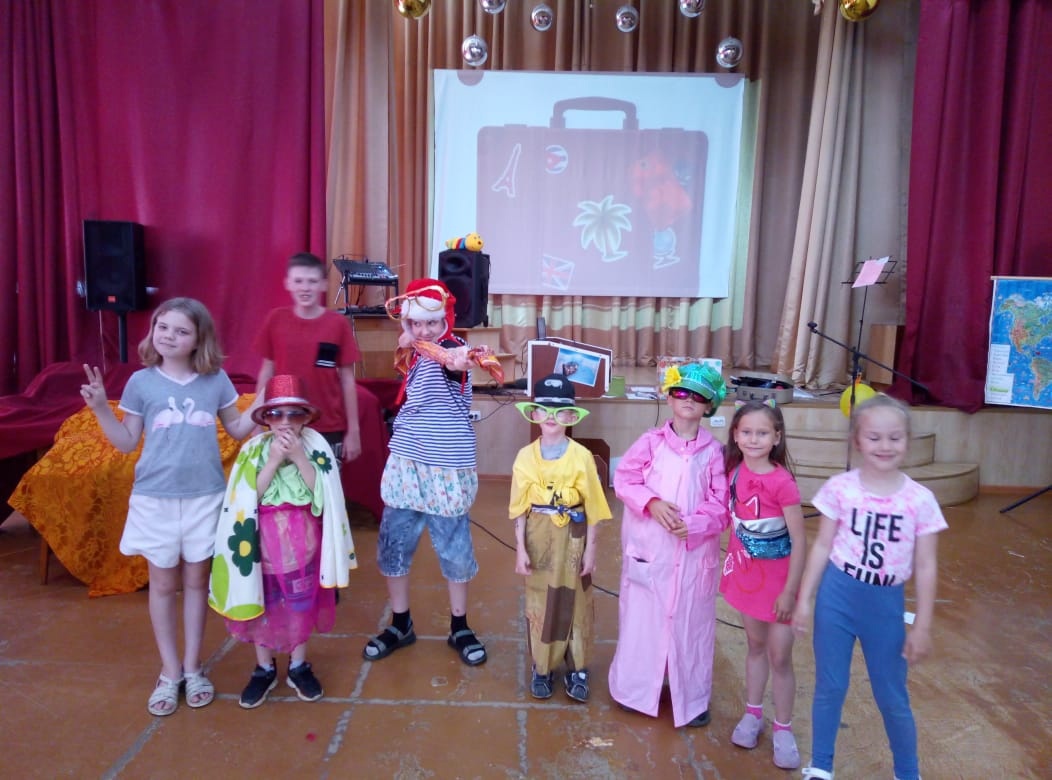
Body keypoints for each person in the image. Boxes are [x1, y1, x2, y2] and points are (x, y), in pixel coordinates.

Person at [79, 297, 261, 716]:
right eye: (163, 327)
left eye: (181, 331)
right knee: (162, 585)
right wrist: (101, 409)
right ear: (153, 331)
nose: (169, 336)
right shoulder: (141, 383)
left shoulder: (215, 380)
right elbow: (127, 442)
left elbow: (237, 430)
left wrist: (262, 402)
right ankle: (169, 671)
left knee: (197, 582)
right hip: (154, 499)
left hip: (205, 498)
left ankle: (194, 667)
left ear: (199, 339)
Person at [792, 394, 947, 780]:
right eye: (874, 437)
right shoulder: (840, 488)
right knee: (830, 685)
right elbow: (823, 545)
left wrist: (923, 625)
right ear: (857, 441)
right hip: (838, 596)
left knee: (891, 693)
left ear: (907, 441)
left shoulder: (920, 500)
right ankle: (821, 765)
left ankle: (907, 772)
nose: (885, 446)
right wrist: (805, 599)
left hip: (884, 603)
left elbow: (926, 565)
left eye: (895, 437)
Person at [209, 374, 357, 708]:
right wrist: (275, 459)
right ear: (265, 418)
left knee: (300, 607)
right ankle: (264, 668)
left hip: (303, 550)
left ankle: (298, 665)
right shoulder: (254, 451)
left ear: (306, 417)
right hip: (260, 552)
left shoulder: (316, 447)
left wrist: (300, 458)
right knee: (261, 604)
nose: (285, 422)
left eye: (294, 414)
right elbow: (247, 498)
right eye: (276, 414)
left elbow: (322, 495)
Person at [361, 278, 487, 666]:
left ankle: (460, 626)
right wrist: (408, 341)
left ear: (445, 321)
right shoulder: (413, 350)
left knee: (454, 548)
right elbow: (410, 349)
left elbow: (454, 363)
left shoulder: (453, 349)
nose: (424, 331)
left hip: (447, 465)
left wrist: (459, 360)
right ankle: (400, 623)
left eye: (431, 323)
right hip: (406, 461)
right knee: (394, 544)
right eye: (416, 323)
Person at [608, 362, 729, 728]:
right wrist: (653, 502)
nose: (688, 399)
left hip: (693, 557)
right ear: (670, 397)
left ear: (709, 405)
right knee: (643, 621)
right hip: (651, 552)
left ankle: (690, 698)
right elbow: (625, 479)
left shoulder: (715, 452)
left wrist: (694, 524)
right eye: (681, 392)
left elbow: (721, 503)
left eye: (699, 396)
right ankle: (634, 689)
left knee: (690, 626)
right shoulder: (650, 442)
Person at [510, 374, 612, 702]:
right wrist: (520, 549)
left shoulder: (581, 457)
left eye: (560, 411)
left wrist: (591, 551)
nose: (551, 417)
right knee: (540, 599)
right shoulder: (525, 457)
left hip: (574, 537)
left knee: (576, 600)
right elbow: (519, 509)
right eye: (544, 409)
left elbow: (594, 509)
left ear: (571, 415)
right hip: (538, 537)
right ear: (534, 413)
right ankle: (542, 665)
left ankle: (578, 667)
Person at [718, 400, 806, 770]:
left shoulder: (782, 482)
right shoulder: (733, 471)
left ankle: (783, 728)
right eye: (747, 432)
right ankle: (753, 713)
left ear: (776, 437)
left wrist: (790, 592)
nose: (754, 439)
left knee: (779, 655)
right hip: (748, 579)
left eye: (762, 433)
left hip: (780, 584)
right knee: (755, 646)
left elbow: (800, 540)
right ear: (736, 435)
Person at [255, 252, 362, 465]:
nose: (305, 288)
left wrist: (354, 430)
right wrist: (257, 423)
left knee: (326, 483)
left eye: (312, 281)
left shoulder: (337, 324)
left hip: (329, 425)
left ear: (323, 284)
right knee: (285, 483)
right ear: (288, 283)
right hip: (283, 423)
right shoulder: (276, 320)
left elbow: (347, 380)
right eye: (299, 281)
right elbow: (266, 373)